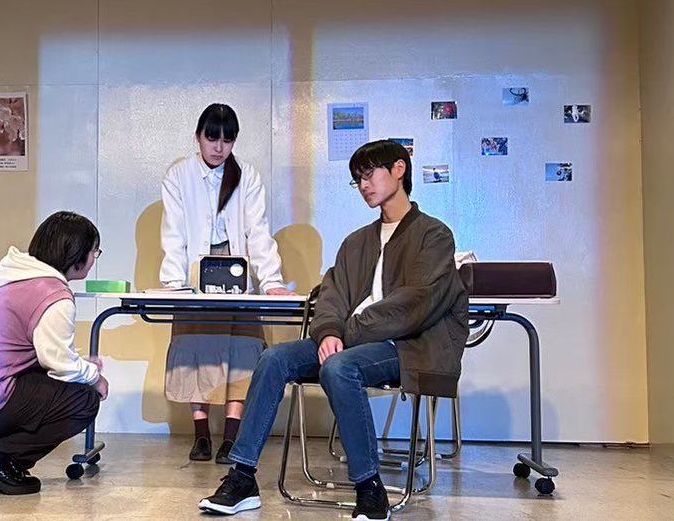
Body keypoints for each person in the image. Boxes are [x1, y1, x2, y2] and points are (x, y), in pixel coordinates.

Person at [197, 140, 468, 520]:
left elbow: (414, 305)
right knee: (274, 358)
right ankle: (242, 478)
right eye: (358, 179)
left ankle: (370, 488)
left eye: (370, 174)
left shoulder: (434, 235)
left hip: (407, 346)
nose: (364, 185)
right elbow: (331, 295)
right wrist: (327, 333)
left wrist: (345, 335)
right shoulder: (356, 242)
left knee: (340, 367)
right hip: (347, 341)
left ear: (399, 170)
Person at [160, 103, 295, 464]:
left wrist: (271, 281)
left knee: (243, 350)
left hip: (238, 272)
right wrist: (174, 283)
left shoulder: (247, 176)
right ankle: (201, 434)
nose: (219, 147)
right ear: (198, 137)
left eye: (227, 139)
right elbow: (173, 233)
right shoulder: (179, 175)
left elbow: (258, 232)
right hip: (195, 273)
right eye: (212, 138)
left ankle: (232, 436)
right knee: (195, 348)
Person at [0, 211, 108, 495]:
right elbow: (59, 363)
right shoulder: (53, 293)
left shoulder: (16, 277)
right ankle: (0, 459)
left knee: (63, 385)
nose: (94, 258)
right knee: (84, 401)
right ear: (76, 254)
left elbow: (44, 355)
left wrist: (78, 367)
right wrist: (94, 377)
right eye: (94, 251)